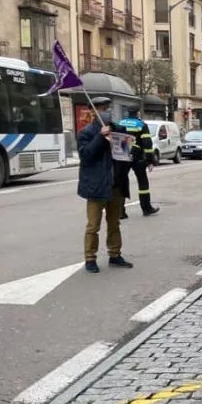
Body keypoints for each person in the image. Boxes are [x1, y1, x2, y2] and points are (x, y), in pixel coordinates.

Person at [77, 97, 134, 274]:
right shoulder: (86, 132)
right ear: (93, 111)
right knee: (93, 225)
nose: (105, 111)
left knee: (114, 223)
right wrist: (101, 137)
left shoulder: (118, 129)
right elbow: (86, 155)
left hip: (115, 184)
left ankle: (115, 254)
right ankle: (90, 258)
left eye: (107, 108)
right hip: (96, 186)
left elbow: (126, 151)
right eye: (101, 108)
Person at [116, 107, 159, 219]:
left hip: (123, 156)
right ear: (137, 113)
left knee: (122, 182)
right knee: (143, 183)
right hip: (138, 157)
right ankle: (146, 208)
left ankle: (121, 212)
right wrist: (150, 160)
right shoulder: (141, 125)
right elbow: (147, 143)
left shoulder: (120, 123)